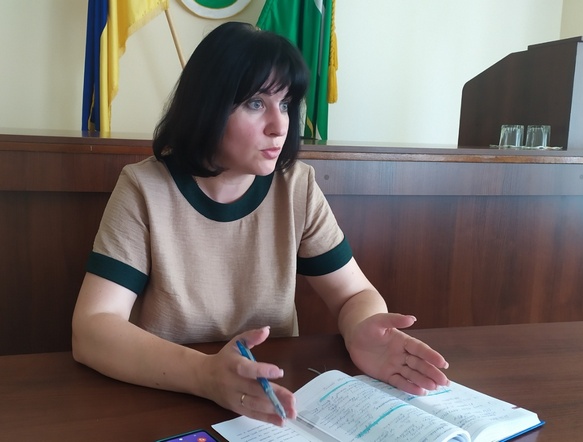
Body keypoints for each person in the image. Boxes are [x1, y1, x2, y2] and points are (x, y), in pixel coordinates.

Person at [72, 21, 449, 427]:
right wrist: (204, 374)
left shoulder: (296, 186)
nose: (280, 125)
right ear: (207, 105)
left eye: (285, 104)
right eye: (256, 103)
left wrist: (362, 328)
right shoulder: (144, 188)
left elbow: (353, 293)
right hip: (169, 392)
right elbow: (92, 329)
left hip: (272, 396)